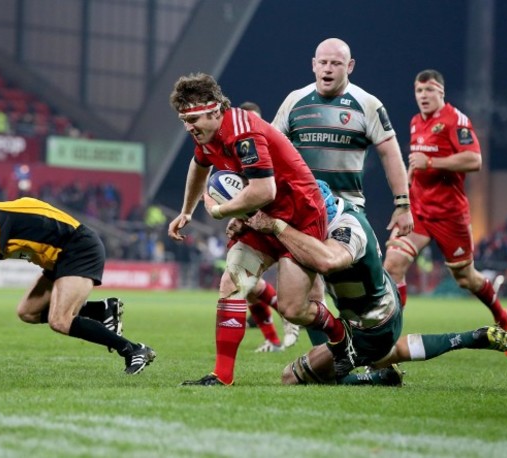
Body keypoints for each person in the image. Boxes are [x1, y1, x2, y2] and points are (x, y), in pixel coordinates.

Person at [246, 181, 507, 386]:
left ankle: (375, 379)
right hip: (384, 310)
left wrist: (279, 229)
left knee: (291, 377)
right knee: (388, 351)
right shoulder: (337, 213)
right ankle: (472, 337)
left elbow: (327, 261)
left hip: (368, 326)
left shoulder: (346, 229)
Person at [168, 72, 341, 386]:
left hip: (299, 218)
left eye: (193, 118)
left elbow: (265, 191)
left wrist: (222, 210)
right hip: (263, 216)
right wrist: (187, 212)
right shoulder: (207, 137)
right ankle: (222, 376)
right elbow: (199, 165)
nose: (189, 127)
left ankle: (345, 339)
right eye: (183, 119)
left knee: (292, 309)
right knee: (231, 282)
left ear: (216, 110)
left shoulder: (242, 132)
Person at [272, 37, 413, 346]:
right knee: (301, 300)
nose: (327, 68)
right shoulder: (295, 101)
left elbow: (390, 152)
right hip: (303, 215)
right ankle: (327, 360)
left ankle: (375, 345)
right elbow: (269, 149)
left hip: (347, 215)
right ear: (313, 64)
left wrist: (403, 203)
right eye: (322, 62)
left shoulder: (367, 104)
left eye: (335, 63)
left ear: (349, 67)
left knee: (352, 301)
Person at [0, 198, 156, 375]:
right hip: (58, 260)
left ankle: (134, 349)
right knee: (27, 312)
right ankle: (101, 310)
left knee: (60, 320)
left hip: (78, 247)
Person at [383, 69, 507, 357]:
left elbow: (474, 159)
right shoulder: (415, 122)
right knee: (393, 264)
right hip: (419, 211)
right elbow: (414, 165)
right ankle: (389, 338)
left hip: (449, 215)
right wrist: (403, 201)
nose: (423, 96)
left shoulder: (455, 121)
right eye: (419, 91)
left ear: (441, 92)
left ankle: (502, 315)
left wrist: (431, 162)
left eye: (429, 90)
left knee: (465, 278)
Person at [238, 100, 300, 352]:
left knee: (249, 282)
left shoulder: (274, 146)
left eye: (257, 119)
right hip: (251, 221)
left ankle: (290, 316)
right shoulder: (235, 152)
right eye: (247, 119)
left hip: (281, 221)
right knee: (247, 284)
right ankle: (273, 341)